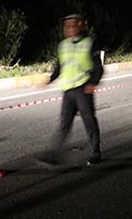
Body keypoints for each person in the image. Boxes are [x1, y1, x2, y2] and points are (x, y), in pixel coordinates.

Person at [39, 14, 105, 166]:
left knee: (89, 121)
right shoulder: (63, 45)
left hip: (83, 89)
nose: (68, 29)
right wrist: (50, 79)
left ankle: (96, 152)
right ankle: (53, 155)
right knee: (64, 124)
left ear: (80, 26)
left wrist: (93, 83)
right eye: (66, 26)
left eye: (72, 25)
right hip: (68, 91)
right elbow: (60, 66)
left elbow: (99, 67)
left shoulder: (89, 43)